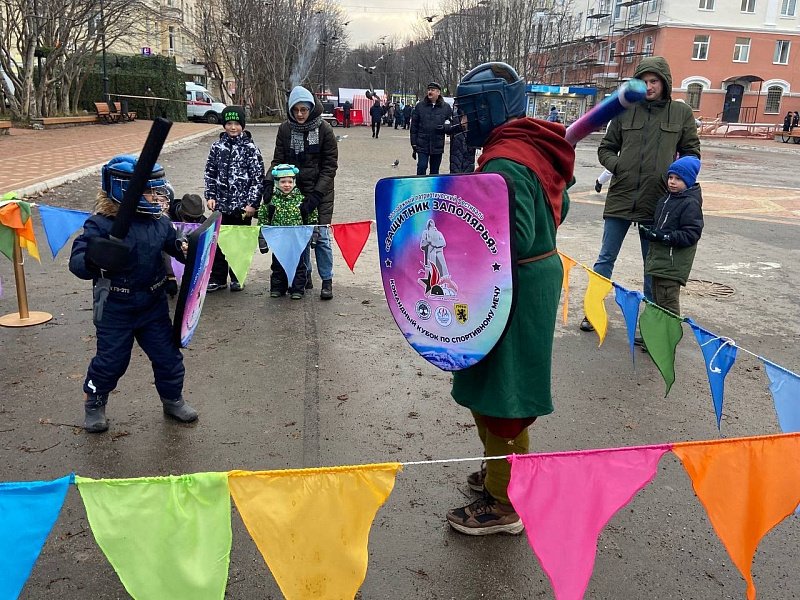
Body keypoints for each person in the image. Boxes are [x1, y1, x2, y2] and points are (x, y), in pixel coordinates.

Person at [445, 62, 573, 535]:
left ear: (489, 107)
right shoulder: (532, 145)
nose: (463, 120)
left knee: (503, 394)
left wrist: (454, 239)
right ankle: (500, 473)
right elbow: (559, 207)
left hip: (513, 286)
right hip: (532, 277)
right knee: (499, 384)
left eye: (468, 110)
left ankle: (505, 502)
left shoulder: (505, 161)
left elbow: (507, 241)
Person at [69, 155, 198, 433]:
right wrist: (94, 259)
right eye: (150, 191)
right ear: (126, 191)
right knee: (111, 361)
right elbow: (77, 262)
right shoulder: (101, 225)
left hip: (153, 305)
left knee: (168, 357)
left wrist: (183, 247)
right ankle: (95, 402)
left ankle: (172, 399)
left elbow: (172, 243)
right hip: (116, 307)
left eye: (158, 190)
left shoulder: (158, 222)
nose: (158, 196)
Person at [581, 55, 700, 334]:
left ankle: (651, 325)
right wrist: (618, 166)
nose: (649, 86)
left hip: (658, 201)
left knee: (652, 265)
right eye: (643, 81)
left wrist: (676, 177)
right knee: (605, 258)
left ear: (664, 83)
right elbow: (606, 148)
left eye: (654, 81)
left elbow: (692, 153)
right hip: (621, 195)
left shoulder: (680, 113)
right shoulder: (624, 111)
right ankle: (592, 313)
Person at [268, 86, 338, 300]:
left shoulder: (325, 129)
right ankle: (304, 275)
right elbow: (278, 160)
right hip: (294, 192)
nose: (299, 114)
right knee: (301, 237)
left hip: (320, 192)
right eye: (296, 110)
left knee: (321, 237)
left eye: (304, 110)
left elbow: (330, 166)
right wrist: (268, 182)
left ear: (311, 108)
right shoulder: (285, 129)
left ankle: (327, 280)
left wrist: (317, 194)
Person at [204, 105, 265, 292]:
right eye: (229, 123)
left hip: (242, 207)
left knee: (239, 242)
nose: (233, 127)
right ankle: (218, 278)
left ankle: (238, 275)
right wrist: (211, 195)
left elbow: (257, 178)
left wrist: (252, 203)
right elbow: (210, 173)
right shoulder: (217, 147)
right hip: (221, 205)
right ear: (224, 125)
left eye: (237, 124)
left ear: (242, 125)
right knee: (219, 242)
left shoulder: (250, 149)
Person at [639, 156, 703, 317]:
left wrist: (665, 237)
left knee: (668, 306)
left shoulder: (690, 203)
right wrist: (651, 231)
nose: (672, 182)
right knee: (658, 301)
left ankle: (669, 333)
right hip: (659, 261)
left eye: (678, 179)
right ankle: (658, 332)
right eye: (670, 177)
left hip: (672, 265)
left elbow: (692, 234)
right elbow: (663, 226)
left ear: (688, 181)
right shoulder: (666, 199)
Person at [259, 164, 309, 299]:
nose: (287, 185)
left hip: (297, 240)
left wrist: (313, 235)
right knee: (278, 265)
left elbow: (311, 218)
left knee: (299, 264)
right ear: (277, 183)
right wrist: (262, 240)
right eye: (283, 182)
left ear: (294, 182)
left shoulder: (301, 200)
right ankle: (278, 288)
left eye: (290, 182)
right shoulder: (271, 201)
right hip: (278, 240)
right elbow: (263, 220)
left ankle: (297, 289)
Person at [410, 82, 453, 175]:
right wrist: (413, 143)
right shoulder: (420, 106)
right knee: (422, 166)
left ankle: (432, 185)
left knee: (434, 171)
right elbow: (414, 126)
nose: (430, 92)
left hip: (437, 144)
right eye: (429, 90)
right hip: (422, 144)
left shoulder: (446, 107)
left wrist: (445, 128)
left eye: (432, 90)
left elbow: (452, 124)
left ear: (438, 92)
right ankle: (420, 184)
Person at [447, 108, 476, 173]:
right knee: (455, 169)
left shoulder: (473, 114)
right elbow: (449, 129)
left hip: (469, 148)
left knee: (468, 171)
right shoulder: (454, 114)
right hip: (456, 147)